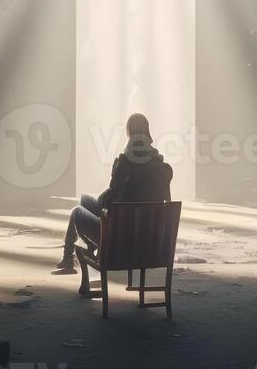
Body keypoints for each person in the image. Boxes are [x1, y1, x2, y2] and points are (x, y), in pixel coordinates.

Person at [53, 113, 173, 274]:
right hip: (149, 244)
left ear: (129, 134)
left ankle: (69, 261)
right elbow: (167, 204)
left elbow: (109, 203)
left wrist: (107, 193)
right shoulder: (164, 169)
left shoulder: (123, 165)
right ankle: (89, 251)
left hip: (119, 243)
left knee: (77, 212)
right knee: (86, 200)